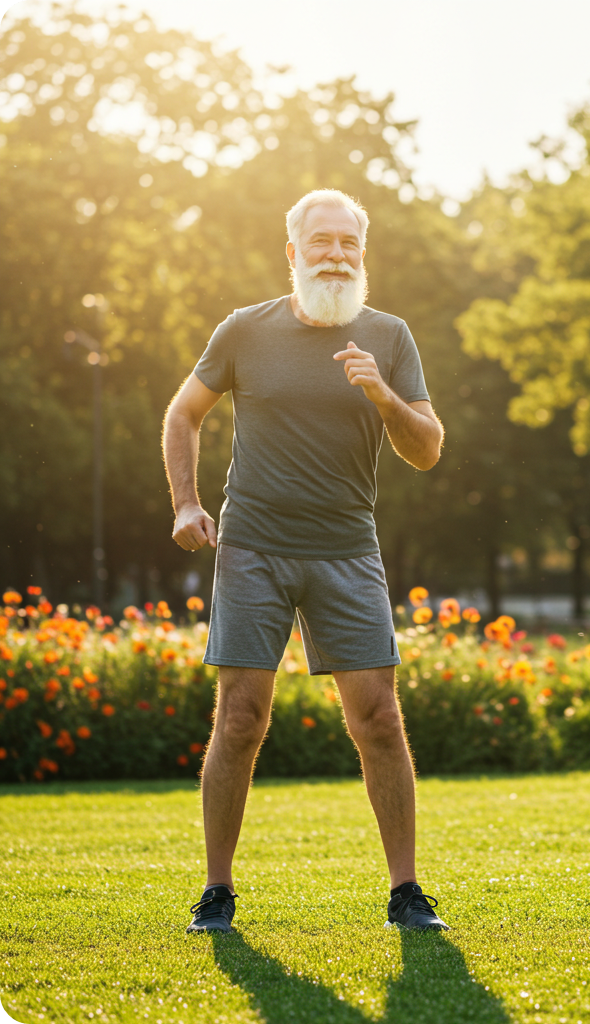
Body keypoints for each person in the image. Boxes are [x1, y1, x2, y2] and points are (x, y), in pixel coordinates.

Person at [162, 188, 449, 933]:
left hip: (347, 551)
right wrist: (187, 503)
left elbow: (427, 450)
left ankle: (406, 894)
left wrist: (382, 393)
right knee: (241, 720)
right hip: (253, 547)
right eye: (320, 242)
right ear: (293, 253)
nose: (335, 254)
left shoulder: (389, 336)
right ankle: (217, 891)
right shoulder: (244, 331)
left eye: (348, 243)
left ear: (362, 253)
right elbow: (182, 413)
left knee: (379, 720)